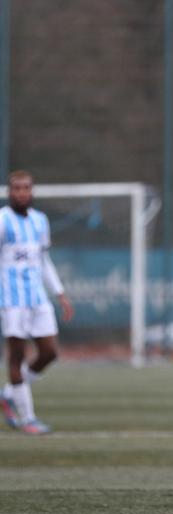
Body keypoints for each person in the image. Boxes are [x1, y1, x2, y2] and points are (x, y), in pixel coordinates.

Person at [0, 170, 75, 435]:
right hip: (12, 300)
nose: (22, 193)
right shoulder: (2, 221)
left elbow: (43, 261)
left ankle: (8, 394)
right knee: (16, 356)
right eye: (17, 188)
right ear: (10, 192)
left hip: (38, 298)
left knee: (49, 352)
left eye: (26, 188)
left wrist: (60, 293)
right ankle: (27, 418)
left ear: (32, 191)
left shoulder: (40, 221)